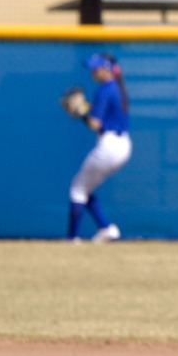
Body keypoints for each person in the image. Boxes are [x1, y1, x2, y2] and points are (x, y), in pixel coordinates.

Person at [68, 52, 131, 243]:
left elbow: (95, 123)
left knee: (77, 190)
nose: (92, 72)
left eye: (95, 68)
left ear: (105, 69)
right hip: (124, 145)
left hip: (110, 145)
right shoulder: (119, 88)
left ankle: (72, 238)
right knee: (85, 188)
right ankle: (106, 229)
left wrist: (81, 113)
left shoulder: (105, 89)